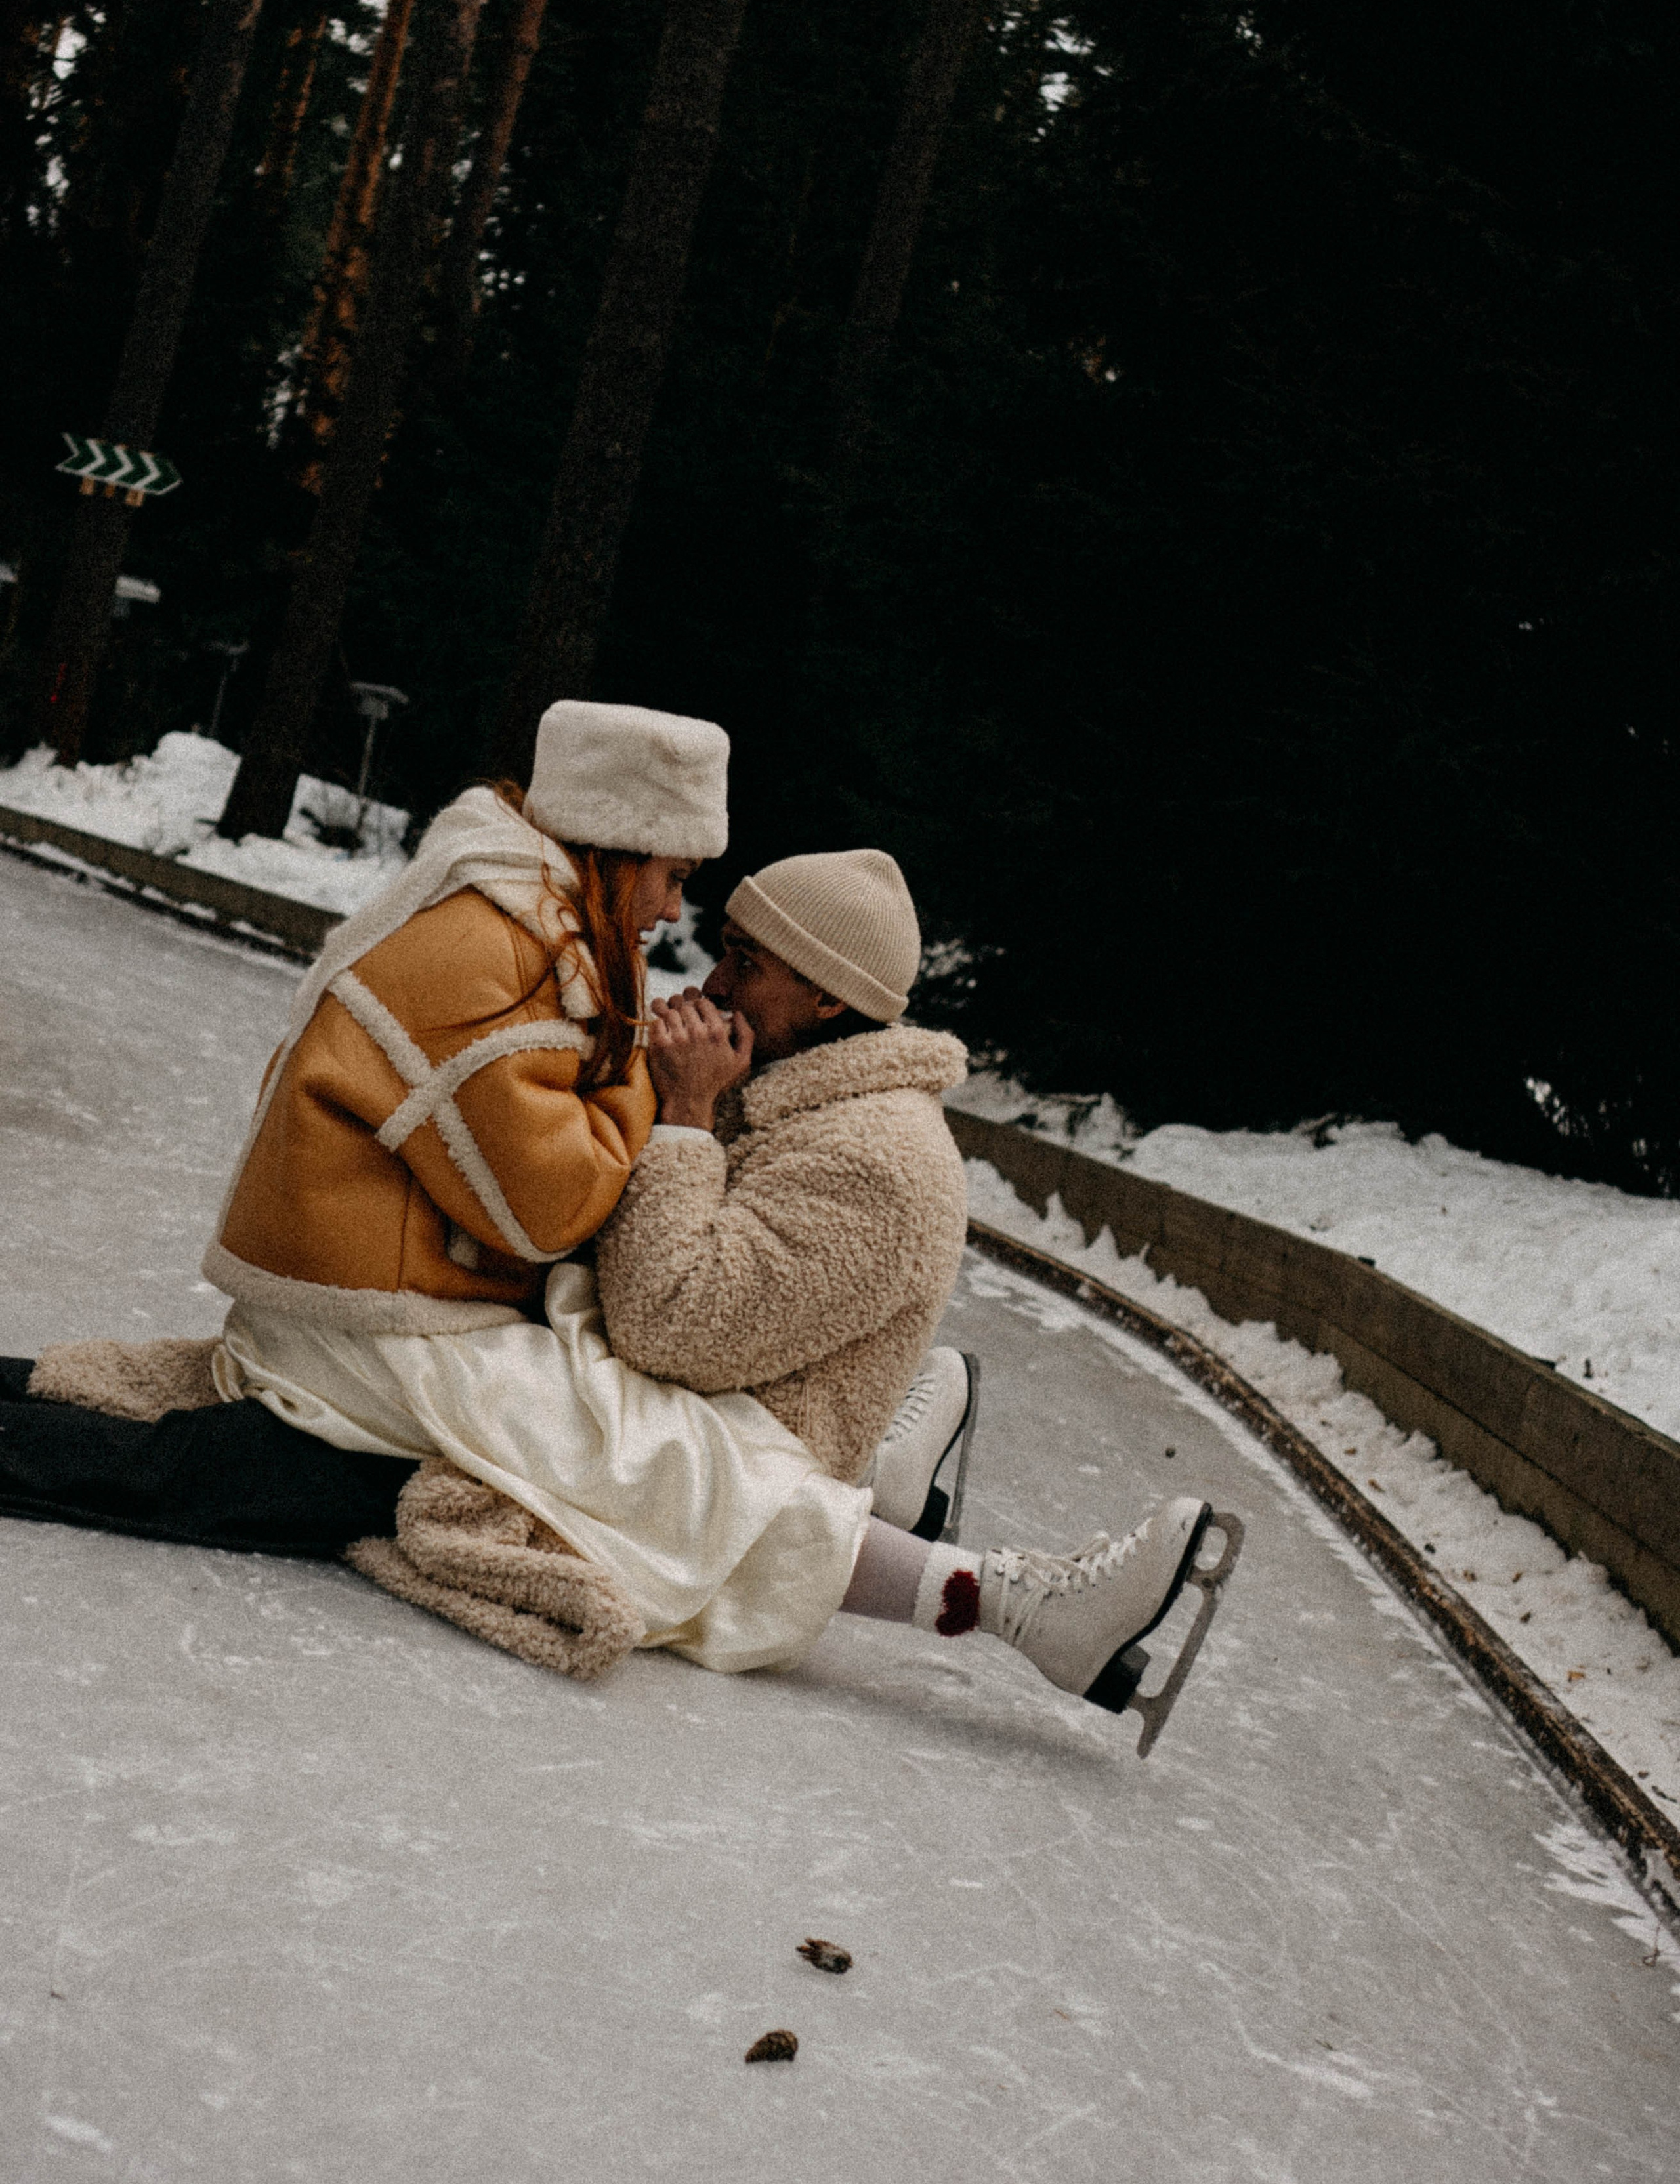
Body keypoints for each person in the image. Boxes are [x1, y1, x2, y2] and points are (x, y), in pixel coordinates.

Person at [2, 704, 1216, 1711]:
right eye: (680, 882)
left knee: (655, 1461)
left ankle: (995, 1585)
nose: (687, 938)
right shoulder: (507, 960)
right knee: (646, 1464)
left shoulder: (854, 1143)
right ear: (619, 844)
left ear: (833, 1002)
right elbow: (557, 1215)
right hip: (369, 1315)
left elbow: (655, 1298)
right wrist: (667, 1099)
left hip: (405, 1302)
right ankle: (1002, 1596)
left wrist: (673, 1103)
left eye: (740, 948)